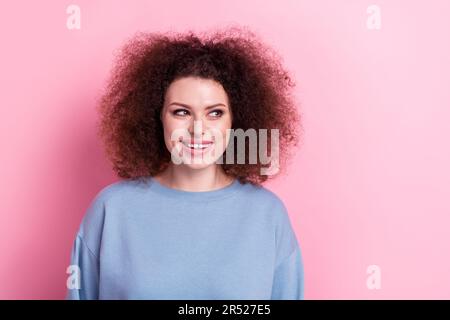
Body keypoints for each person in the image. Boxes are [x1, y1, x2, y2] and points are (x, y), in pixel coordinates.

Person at [66, 26, 304, 299]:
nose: (198, 129)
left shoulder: (267, 215)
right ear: (157, 117)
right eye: (181, 112)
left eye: (214, 113)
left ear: (235, 121)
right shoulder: (111, 210)